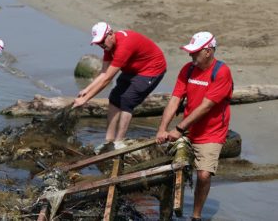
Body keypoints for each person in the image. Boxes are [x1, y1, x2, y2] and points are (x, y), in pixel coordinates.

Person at [155, 32, 233, 221]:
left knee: (204, 175)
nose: (191, 56)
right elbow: (175, 100)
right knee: (169, 169)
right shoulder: (188, 70)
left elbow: (206, 106)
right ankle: (166, 214)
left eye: (195, 52)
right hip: (189, 129)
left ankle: (196, 216)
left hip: (211, 132)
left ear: (208, 51)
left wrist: (179, 129)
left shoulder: (221, 72)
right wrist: (162, 128)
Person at [73, 22, 166, 147]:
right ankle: (108, 140)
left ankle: (118, 142)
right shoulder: (108, 47)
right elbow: (103, 73)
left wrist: (85, 99)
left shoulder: (124, 46)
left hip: (151, 69)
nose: (101, 45)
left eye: (102, 41)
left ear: (110, 34)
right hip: (133, 68)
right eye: (98, 43)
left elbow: (107, 79)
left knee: (127, 100)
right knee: (114, 97)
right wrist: (87, 89)